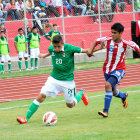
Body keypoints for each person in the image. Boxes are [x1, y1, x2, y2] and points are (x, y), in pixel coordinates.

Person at [17, 35, 89, 124]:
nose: (57, 49)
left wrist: (95, 49)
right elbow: (50, 52)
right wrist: (43, 56)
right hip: (53, 79)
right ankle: (26, 118)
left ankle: (81, 93)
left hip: (68, 81)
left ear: (62, 43)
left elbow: (85, 50)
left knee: (70, 105)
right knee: (41, 96)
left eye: (59, 46)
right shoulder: (51, 48)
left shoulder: (69, 48)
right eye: (55, 47)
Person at [87, 23, 140, 117]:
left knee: (107, 85)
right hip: (107, 70)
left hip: (119, 69)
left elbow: (137, 48)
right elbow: (96, 41)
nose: (112, 35)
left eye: (114, 33)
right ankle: (123, 96)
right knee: (113, 91)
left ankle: (105, 111)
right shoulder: (107, 40)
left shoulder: (125, 43)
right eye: (111, 32)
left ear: (121, 33)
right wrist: (90, 51)